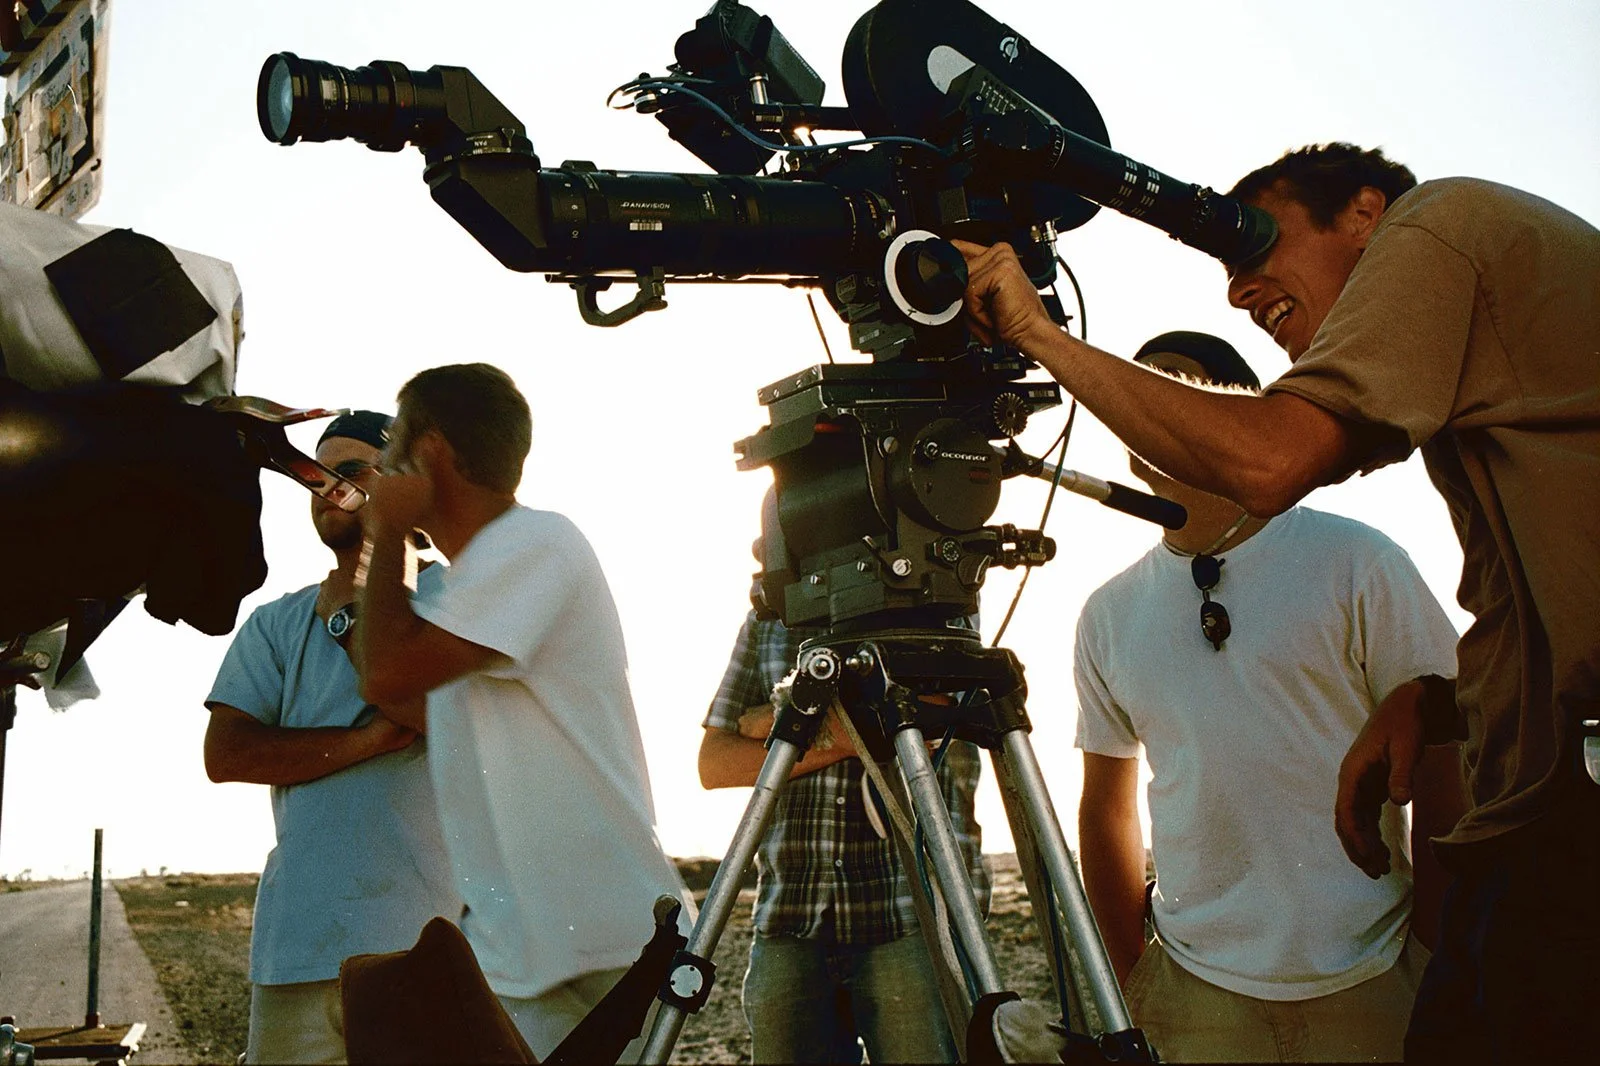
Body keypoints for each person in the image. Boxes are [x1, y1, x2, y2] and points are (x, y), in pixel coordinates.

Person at [958, 143, 1598, 1062]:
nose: (1235, 291)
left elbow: (1269, 458)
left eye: (1257, 238)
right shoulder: (1476, 379)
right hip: (1545, 808)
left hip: (1559, 826)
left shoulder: (1442, 224)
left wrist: (1041, 336)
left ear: (1368, 215)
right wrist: (1441, 701)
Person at [1074, 331, 1464, 1062]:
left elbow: (1446, 751)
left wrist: (1433, 945)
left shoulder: (1359, 561)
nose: (1148, 410)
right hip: (1195, 990)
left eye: (1175, 387)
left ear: (1240, 414)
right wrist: (1137, 972)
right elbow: (1106, 803)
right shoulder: (1108, 610)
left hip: (1373, 973)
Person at [351, 362, 687, 1062]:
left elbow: (383, 674)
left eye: (392, 448)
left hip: (599, 942)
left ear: (433, 453)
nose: (381, 468)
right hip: (536, 945)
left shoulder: (534, 544)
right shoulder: (475, 580)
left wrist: (384, 534)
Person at [204, 410, 458, 1065]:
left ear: (400, 477)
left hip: (428, 946)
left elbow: (439, 716)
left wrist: (354, 616)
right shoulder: (272, 624)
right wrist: (368, 741)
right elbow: (227, 754)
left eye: (344, 472)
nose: (323, 489)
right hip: (297, 952)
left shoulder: (457, 599)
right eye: (308, 476)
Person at [699, 603, 989, 1064]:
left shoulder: (930, 593)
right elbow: (714, 762)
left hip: (913, 914)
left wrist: (783, 723)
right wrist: (853, 733)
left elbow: (938, 709)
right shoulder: (768, 617)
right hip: (790, 912)